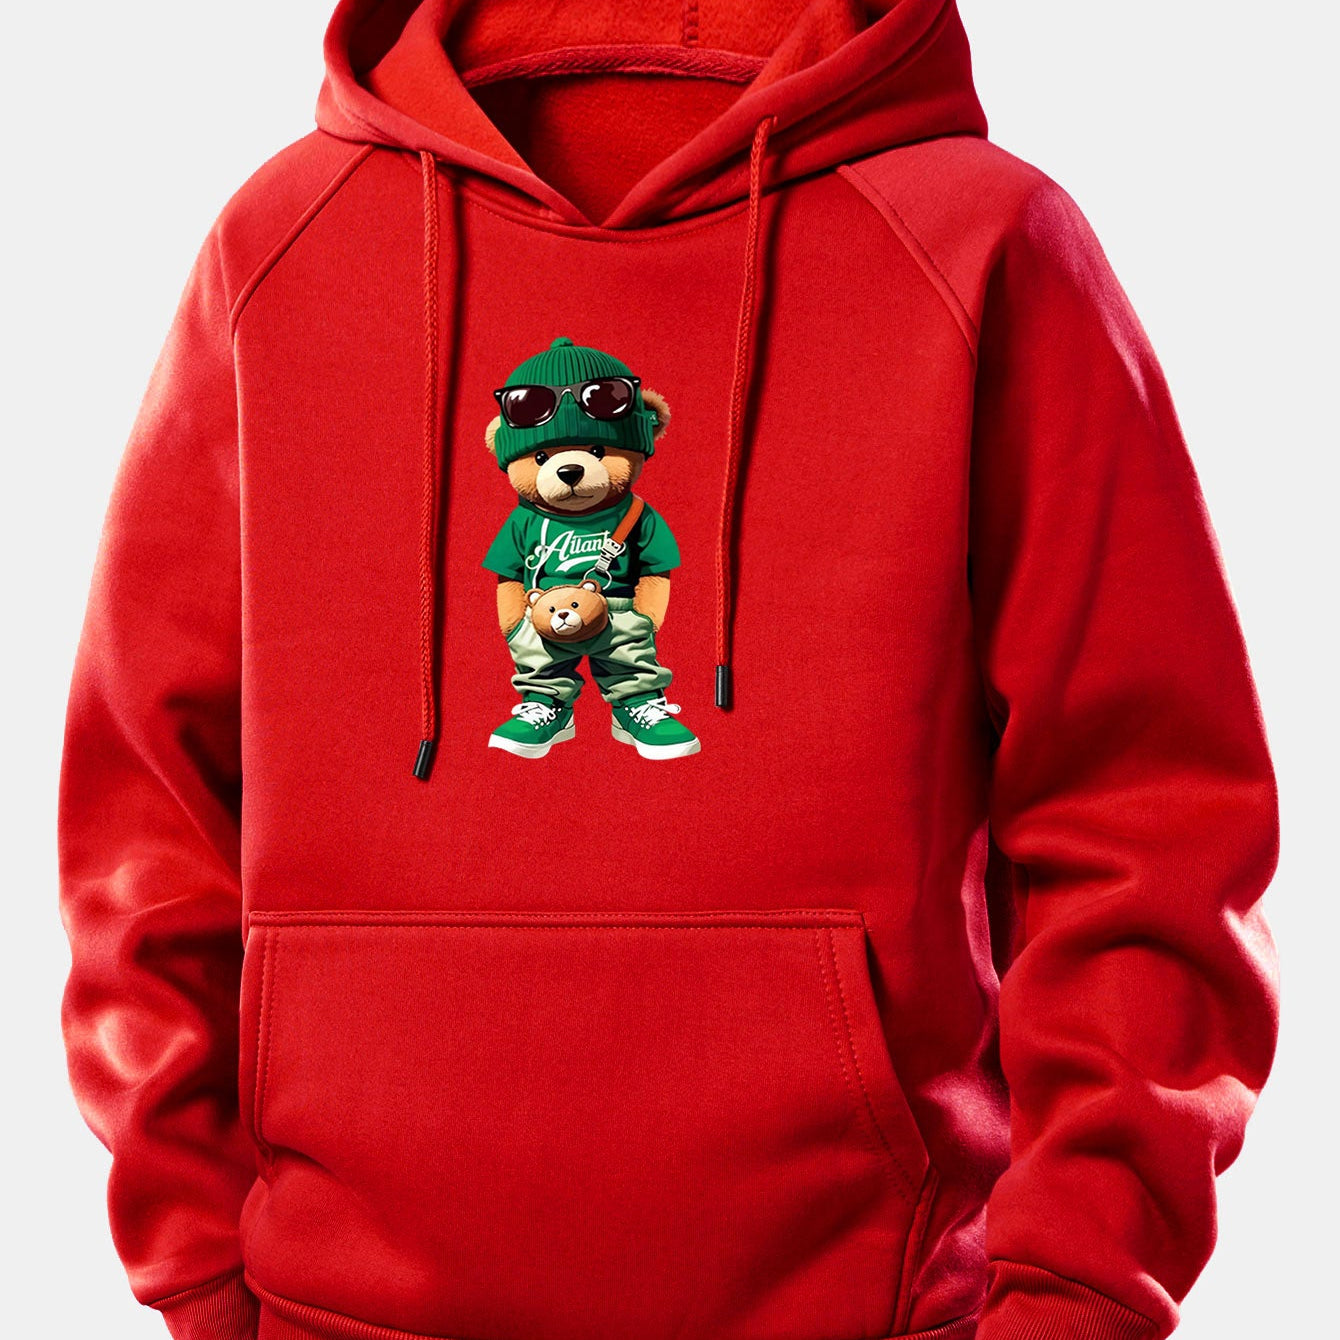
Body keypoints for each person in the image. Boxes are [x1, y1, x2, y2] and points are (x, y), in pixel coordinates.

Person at [58, 3, 1279, 1339]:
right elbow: (146, 805)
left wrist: (1077, 1294)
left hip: (870, 1305)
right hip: (331, 1304)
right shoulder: (283, 244)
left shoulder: (980, 243)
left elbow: (1145, 816)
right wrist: (198, 1265)